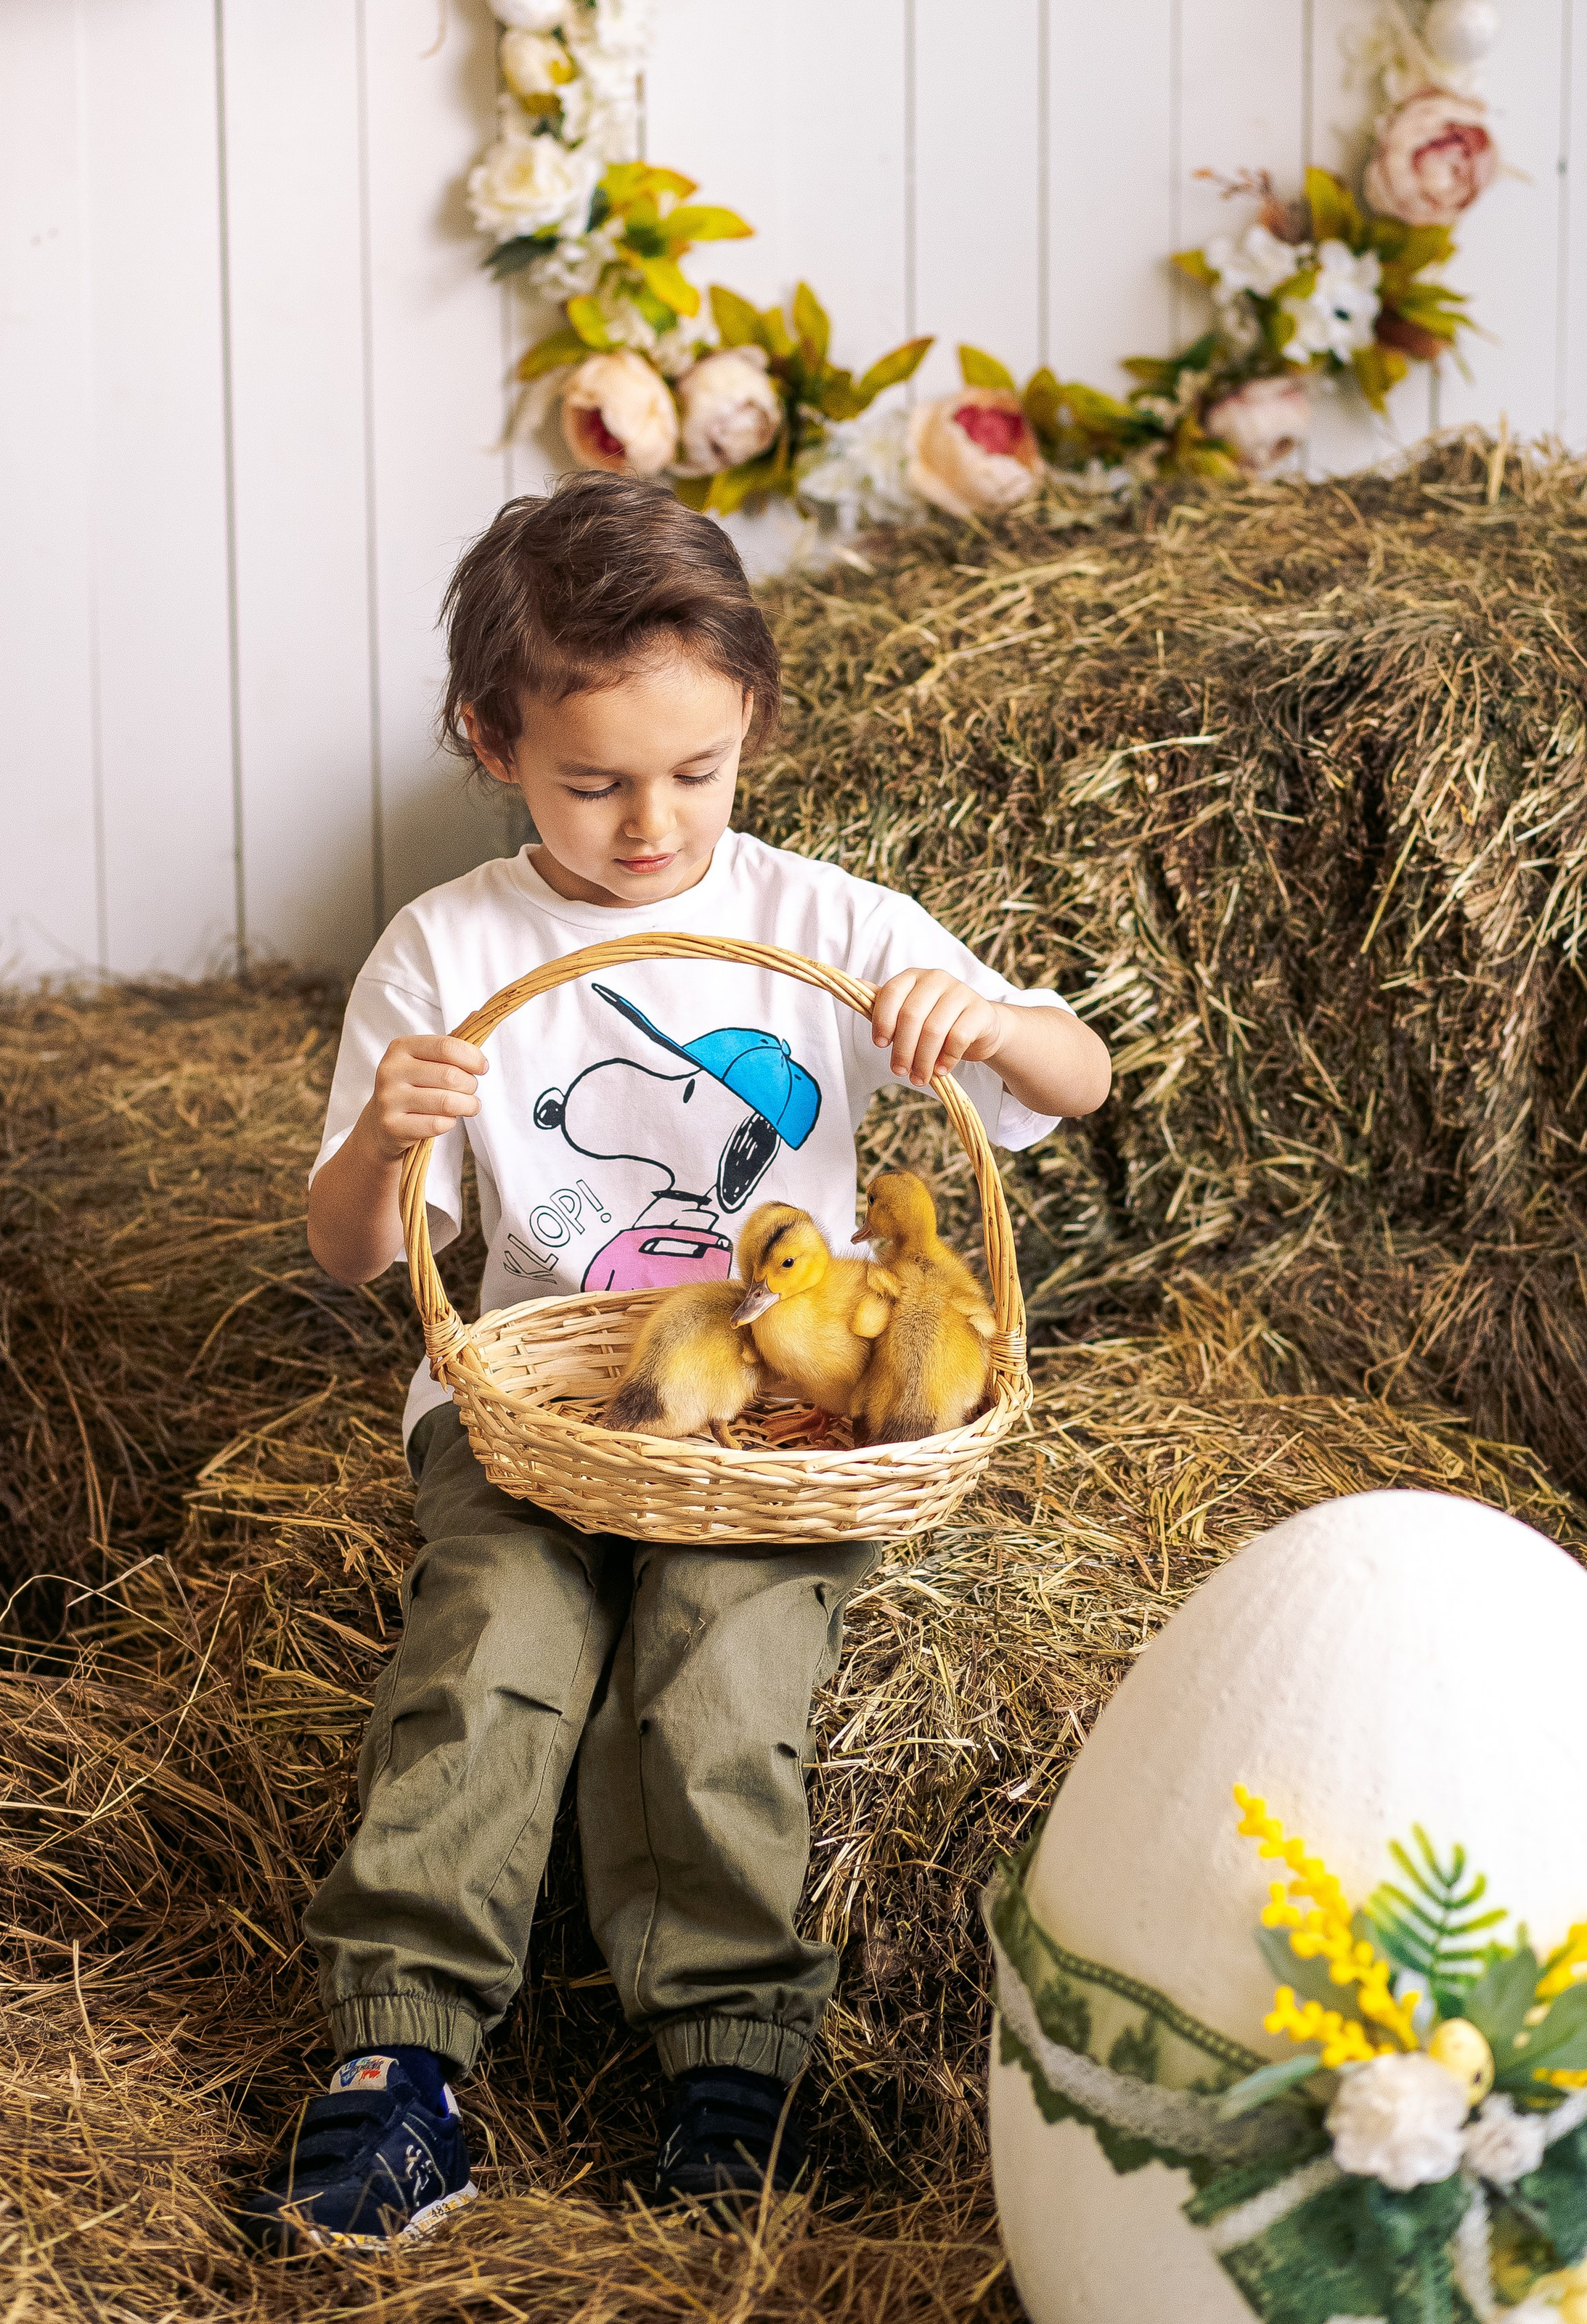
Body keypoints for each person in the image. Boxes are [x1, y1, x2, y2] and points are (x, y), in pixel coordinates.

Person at [242, 474, 1109, 2251]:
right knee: (488, 1651)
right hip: (536, 1411)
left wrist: (987, 1023)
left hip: (781, 1430)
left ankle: (730, 2065)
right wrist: (386, 1144)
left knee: (718, 1668)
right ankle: (400, 2064)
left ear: (750, 730)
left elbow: (1076, 1078)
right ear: (490, 738)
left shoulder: (819, 922)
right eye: (592, 782)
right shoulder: (449, 952)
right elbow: (348, 1256)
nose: (651, 824)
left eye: (695, 773)